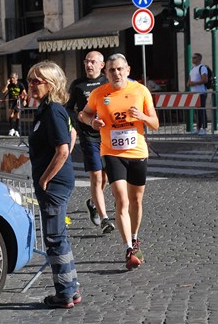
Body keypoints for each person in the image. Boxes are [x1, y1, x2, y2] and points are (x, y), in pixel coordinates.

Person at [79, 53, 159, 270]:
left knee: (136, 201)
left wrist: (141, 117)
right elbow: (83, 115)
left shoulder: (140, 91)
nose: (116, 73)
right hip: (111, 152)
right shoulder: (98, 93)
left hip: (137, 152)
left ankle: (134, 238)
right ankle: (128, 248)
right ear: (106, 72)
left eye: (120, 69)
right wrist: (92, 122)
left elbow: (155, 123)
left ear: (128, 70)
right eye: (112, 70)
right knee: (121, 199)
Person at [27, 60, 80, 309]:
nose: (31, 85)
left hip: (54, 184)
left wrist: (45, 178)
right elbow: (71, 135)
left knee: (54, 238)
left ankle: (64, 293)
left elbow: (63, 149)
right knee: (59, 236)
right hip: (54, 182)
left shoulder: (53, 111)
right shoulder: (46, 110)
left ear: (51, 84)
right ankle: (71, 288)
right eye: (30, 81)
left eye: (37, 81)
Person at [67, 51, 115, 234]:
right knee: (96, 175)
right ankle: (104, 219)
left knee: (105, 177)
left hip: (108, 136)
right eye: (86, 61)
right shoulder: (78, 85)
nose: (89, 65)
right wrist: (77, 121)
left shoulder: (107, 83)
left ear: (102, 65)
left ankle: (93, 202)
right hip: (88, 137)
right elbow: (69, 108)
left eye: (93, 62)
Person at [187, 52, 208, 135]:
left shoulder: (202, 68)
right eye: (192, 58)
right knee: (196, 111)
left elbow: (204, 79)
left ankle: (204, 128)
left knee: (202, 111)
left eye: (195, 58)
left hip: (201, 92)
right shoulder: (192, 69)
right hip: (194, 93)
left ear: (199, 59)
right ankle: (198, 128)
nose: (193, 59)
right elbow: (189, 81)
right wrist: (189, 83)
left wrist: (194, 83)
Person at [2, 72, 27, 137]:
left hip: (18, 101)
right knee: (11, 114)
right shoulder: (10, 85)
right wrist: (7, 84)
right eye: (11, 78)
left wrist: (24, 100)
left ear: (16, 78)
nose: (12, 79)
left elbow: (25, 93)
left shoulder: (20, 84)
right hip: (11, 101)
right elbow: (3, 91)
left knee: (17, 115)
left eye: (13, 78)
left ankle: (17, 130)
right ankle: (11, 129)